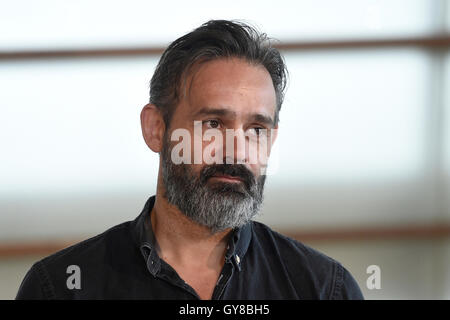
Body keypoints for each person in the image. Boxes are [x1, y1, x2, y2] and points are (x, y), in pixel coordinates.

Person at [16, 20, 363, 300]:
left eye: (256, 129)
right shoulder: (60, 288)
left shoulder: (323, 289)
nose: (236, 151)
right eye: (213, 124)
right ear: (156, 129)